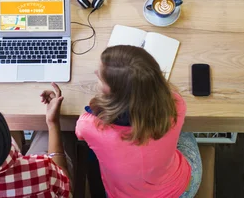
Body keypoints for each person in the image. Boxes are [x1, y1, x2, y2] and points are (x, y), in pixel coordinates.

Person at [75, 45, 202, 197]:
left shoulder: (90, 125)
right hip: (181, 190)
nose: (96, 73)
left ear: (116, 96)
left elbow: (80, 134)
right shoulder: (176, 102)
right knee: (185, 130)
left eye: (101, 78)